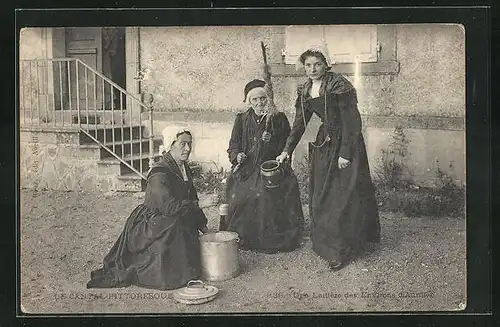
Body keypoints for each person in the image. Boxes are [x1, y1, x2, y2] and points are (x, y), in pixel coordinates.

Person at [276, 45, 381, 271]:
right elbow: (299, 124)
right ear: (304, 68)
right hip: (325, 144)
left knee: (342, 197)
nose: (313, 69)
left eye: (317, 64)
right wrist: (287, 150)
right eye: (308, 65)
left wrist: (345, 153)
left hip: (346, 143)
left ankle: (342, 250)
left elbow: (352, 122)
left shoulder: (339, 85)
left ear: (326, 65)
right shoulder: (305, 90)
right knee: (322, 194)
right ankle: (326, 244)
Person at [87, 129, 219, 290]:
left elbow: (191, 198)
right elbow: (168, 207)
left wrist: (205, 230)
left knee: (183, 226)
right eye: (182, 144)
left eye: (189, 143)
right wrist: (201, 204)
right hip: (154, 222)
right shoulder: (159, 173)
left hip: (174, 214)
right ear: (171, 146)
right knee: (175, 226)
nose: (187, 148)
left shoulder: (183, 168)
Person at [225, 79, 304, 254]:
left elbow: (286, 145)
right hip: (248, 168)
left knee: (265, 192)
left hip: (271, 167)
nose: (260, 103)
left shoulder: (278, 118)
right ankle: (246, 236)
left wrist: (272, 141)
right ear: (249, 101)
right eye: (255, 100)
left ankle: (271, 238)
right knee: (245, 192)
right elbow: (233, 144)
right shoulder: (242, 119)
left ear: (268, 99)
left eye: (263, 98)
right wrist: (237, 156)